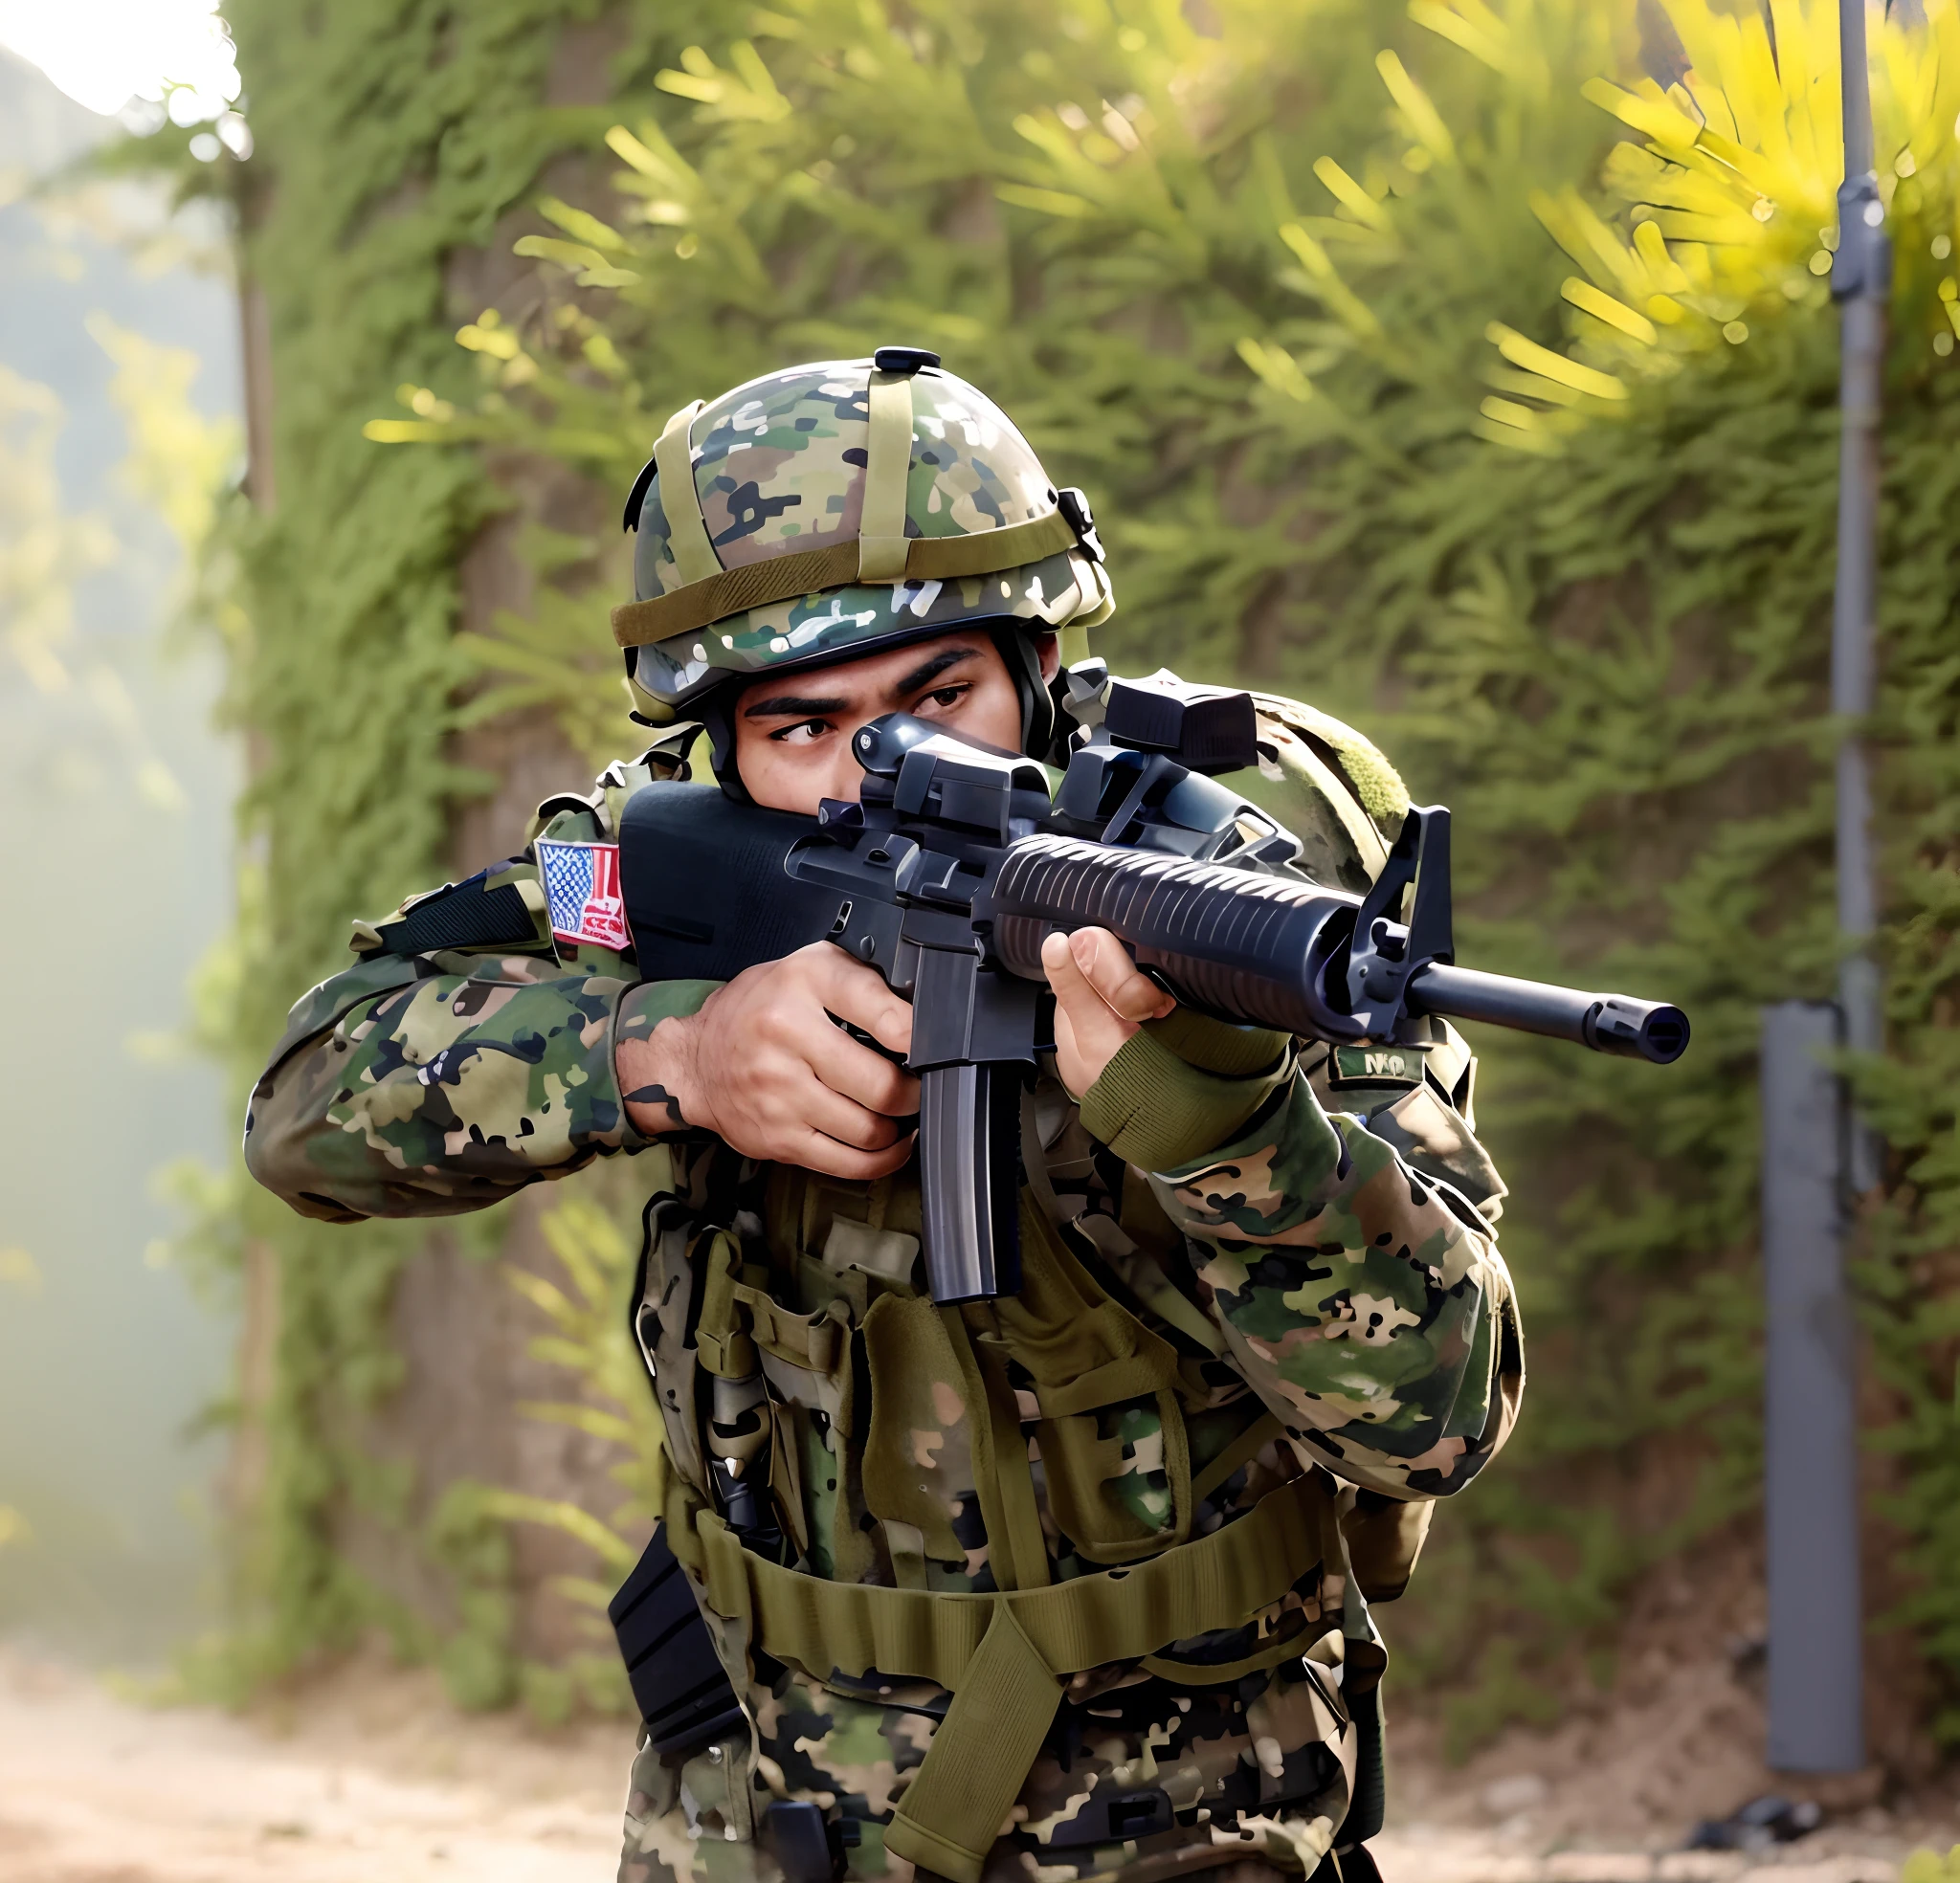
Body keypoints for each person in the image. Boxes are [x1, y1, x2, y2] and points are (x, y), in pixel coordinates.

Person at [245, 351, 1522, 1883]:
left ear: (1042, 664)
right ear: (715, 745)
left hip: (1184, 1826)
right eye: (805, 729)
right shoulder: (648, 874)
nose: (885, 770)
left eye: (940, 697)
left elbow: (1443, 1414)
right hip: (752, 1814)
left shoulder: (1242, 888)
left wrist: (1220, 1127)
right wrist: (673, 1049)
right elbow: (312, 1100)